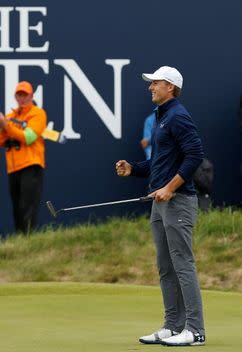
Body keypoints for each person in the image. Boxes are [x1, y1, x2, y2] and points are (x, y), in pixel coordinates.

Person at [115, 66, 206, 346]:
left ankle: (195, 330)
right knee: (165, 266)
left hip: (178, 201)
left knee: (183, 265)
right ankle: (173, 325)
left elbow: (195, 156)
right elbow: (159, 163)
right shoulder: (160, 118)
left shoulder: (178, 116)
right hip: (160, 203)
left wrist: (169, 188)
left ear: (170, 87)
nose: (150, 87)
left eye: (155, 83)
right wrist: (134, 169)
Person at [0, 81, 47, 234]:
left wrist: (6, 126)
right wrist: (1, 126)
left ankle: (28, 240)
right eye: (19, 95)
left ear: (31, 96)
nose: (22, 98)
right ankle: (20, 241)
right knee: (16, 207)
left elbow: (29, 137)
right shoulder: (11, 115)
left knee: (27, 206)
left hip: (31, 164)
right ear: (15, 96)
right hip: (13, 168)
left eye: (25, 95)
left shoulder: (38, 113)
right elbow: (0, 141)